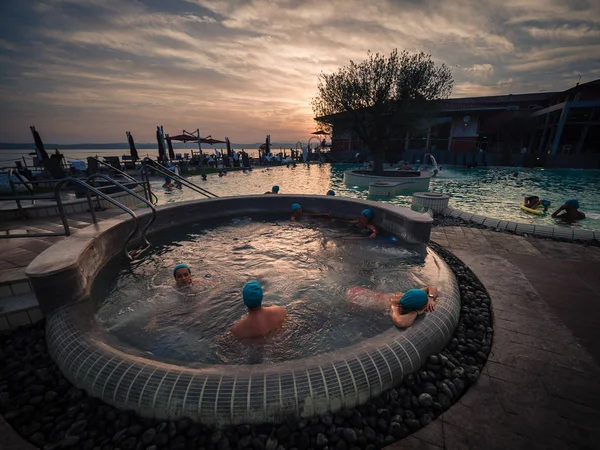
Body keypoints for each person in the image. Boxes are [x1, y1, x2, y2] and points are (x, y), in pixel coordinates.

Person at [346, 285, 438, 328]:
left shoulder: (406, 295)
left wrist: (430, 298)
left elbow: (431, 287)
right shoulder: (395, 306)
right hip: (355, 299)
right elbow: (400, 322)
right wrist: (416, 312)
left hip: (359, 291)